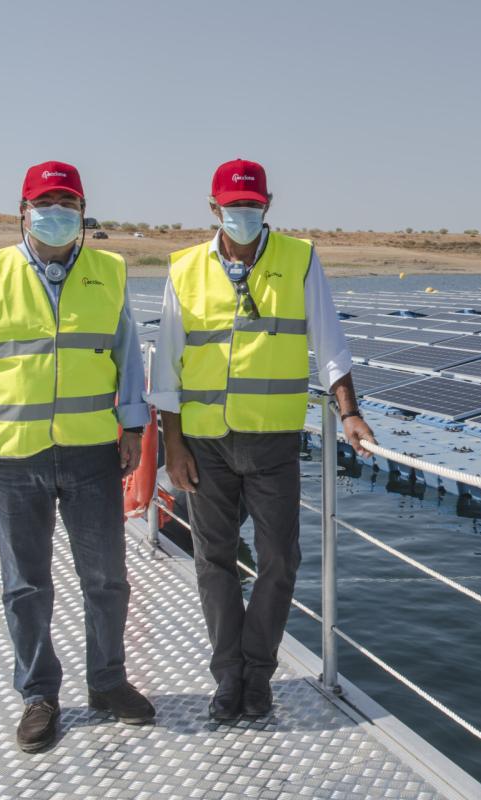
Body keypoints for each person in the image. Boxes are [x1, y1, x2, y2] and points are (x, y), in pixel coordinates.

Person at [0, 161, 155, 753]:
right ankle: (39, 695)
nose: (56, 212)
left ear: (82, 214)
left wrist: (133, 423)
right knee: (26, 586)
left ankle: (107, 682)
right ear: (23, 210)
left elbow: (127, 353)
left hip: (90, 454)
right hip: (12, 456)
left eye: (68, 202)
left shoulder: (109, 271)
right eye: (46, 201)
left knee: (106, 579)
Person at [148, 158, 375, 720]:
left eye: (251, 205)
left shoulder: (299, 260)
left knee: (280, 559)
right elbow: (168, 367)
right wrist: (172, 446)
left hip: (272, 440)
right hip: (205, 444)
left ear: (267, 205)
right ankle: (230, 679)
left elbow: (330, 343)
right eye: (233, 205)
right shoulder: (183, 268)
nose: (242, 214)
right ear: (213, 207)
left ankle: (259, 670)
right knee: (213, 560)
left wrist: (349, 412)